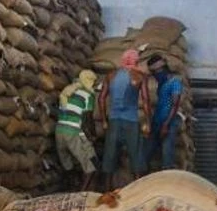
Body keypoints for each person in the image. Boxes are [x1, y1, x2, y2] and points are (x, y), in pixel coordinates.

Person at [98, 49, 150, 190]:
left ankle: (106, 192)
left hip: (114, 121)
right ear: (135, 61)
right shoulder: (140, 77)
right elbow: (145, 100)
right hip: (131, 121)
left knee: (109, 156)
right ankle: (139, 192)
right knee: (136, 156)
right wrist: (147, 122)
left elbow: (101, 98)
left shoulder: (111, 76)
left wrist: (104, 120)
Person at [55, 69, 99, 191]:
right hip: (73, 132)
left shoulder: (68, 90)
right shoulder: (88, 95)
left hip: (59, 131)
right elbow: (87, 120)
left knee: (68, 166)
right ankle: (81, 195)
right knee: (91, 167)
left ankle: (70, 190)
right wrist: (92, 136)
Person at [143, 55, 183, 171]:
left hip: (168, 123)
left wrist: (166, 125)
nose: (156, 74)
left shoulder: (175, 82)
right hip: (156, 122)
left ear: (165, 68)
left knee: (167, 157)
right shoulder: (161, 84)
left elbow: (175, 105)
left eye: (157, 71)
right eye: (154, 72)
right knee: (145, 155)